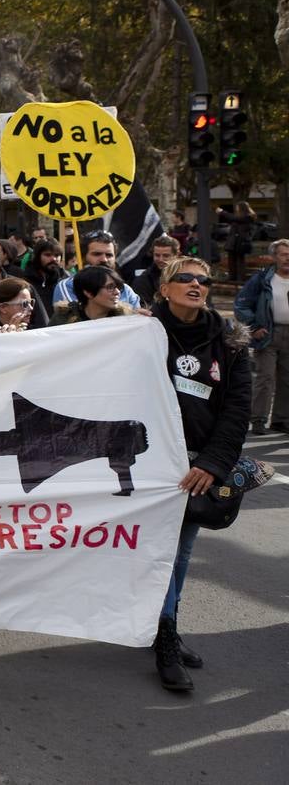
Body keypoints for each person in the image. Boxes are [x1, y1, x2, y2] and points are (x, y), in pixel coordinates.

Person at [152, 256, 250, 692]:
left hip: (196, 467)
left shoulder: (229, 342)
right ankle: (162, 634)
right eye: (185, 277)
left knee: (180, 553)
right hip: (147, 462)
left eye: (203, 279)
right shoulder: (141, 332)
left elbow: (237, 410)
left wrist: (211, 463)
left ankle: (164, 630)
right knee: (153, 551)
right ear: (164, 288)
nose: (196, 284)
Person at [234, 238, 289, 435]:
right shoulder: (262, 278)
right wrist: (254, 326)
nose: (287, 258)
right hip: (268, 333)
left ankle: (281, 420)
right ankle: (258, 419)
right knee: (265, 378)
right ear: (274, 257)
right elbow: (241, 304)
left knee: (286, 379)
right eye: (283, 254)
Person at [51, 232, 141, 308]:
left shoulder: (126, 291)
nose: (104, 259)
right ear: (83, 257)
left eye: (109, 255)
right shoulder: (68, 286)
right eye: (97, 254)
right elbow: (78, 318)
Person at [49, 266, 136, 326]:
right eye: (110, 287)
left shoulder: (127, 318)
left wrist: (142, 318)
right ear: (88, 292)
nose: (117, 292)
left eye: (118, 287)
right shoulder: (63, 318)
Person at [130, 236, 181, 307]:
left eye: (166, 256)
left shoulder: (188, 275)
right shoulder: (143, 281)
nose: (161, 259)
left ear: (176, 255)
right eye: (157, 255)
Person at [220, 201, 255, 282]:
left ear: (242, 208)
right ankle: (232, 277)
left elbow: (233, 218)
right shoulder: (240, 217)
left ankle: (240, 278)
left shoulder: (247, 217)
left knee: (240, 260)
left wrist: (222, 212)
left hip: (240, 242)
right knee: (231, 261)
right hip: (233, 242)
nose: (236, 209)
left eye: (238, 207)